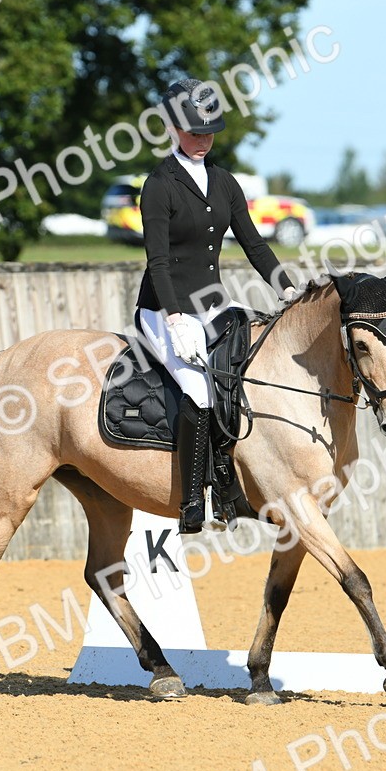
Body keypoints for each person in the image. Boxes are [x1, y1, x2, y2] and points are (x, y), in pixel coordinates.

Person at [135, 78, 299, 534]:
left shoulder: (225, 182)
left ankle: (232, 485)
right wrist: (174, 318)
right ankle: (193, 502)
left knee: (241, 379)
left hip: (213, 306)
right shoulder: (159, 185)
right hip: (163, 309)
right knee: (199, 390)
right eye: (194, 132)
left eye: (209, 132)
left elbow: (255, 244)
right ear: (173, 128)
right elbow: (157, 262)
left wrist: (288, 290)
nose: (203, 140)